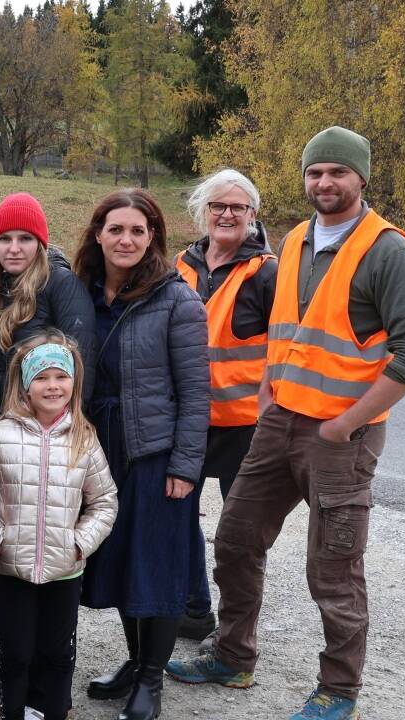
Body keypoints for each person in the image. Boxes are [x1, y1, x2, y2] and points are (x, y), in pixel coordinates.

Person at [167, 127, 405, 720]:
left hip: (343, 435)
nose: (325, 183)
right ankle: (233, 658)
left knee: (332, 567)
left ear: (361, 177)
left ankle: (340, 692)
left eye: (337, 172)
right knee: (235, 540)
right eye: (315, 173)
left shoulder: (389, 251)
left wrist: (346, 424)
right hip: (278, 421)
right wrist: (267, 396)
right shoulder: (295, 241)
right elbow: (284, 335)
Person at [72, 189, 209, 720]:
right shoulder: (81, 292)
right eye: (115, 229)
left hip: (154, 451)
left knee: (159, 565)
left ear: (153, 237)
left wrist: (184, 466)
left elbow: (197, 393)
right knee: (123, 562)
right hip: (99, 449)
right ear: (99, 234)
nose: (125, 239)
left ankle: (152, 677)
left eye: (137, 230)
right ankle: (134, 661)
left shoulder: (178, 300)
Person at [0, 193, 96, 698]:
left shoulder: (60, 284)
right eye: (5, 238)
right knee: (7, 532)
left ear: (41, 243)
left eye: (26, 238)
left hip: (46, 432)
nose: (15, 247)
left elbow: (78, 356)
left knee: (46, 533)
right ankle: (10, 641)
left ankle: (47, 667)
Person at [0, 332, 118, 720]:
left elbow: (104, 501)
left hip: (64, 570)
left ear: (73, 383)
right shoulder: (0, 435)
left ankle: (53, 712)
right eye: (42, 377)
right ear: (26, 385)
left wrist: (79, 543)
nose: (52, 386)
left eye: (60, 377)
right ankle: (15, 711)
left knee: (57, 653)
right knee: (16, 654)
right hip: (11, 568)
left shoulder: (85, 438)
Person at [172, 169, 277, 642]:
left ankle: (236, 635)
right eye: (218, 206)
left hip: (247, 428)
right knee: (178, 521)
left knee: (240, 540)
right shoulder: (180, 266)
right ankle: (195, 611)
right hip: (188, 421)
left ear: (253, 216)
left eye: (238, 207)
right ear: (203, 211)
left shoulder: (269, 273)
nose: (227, 214)